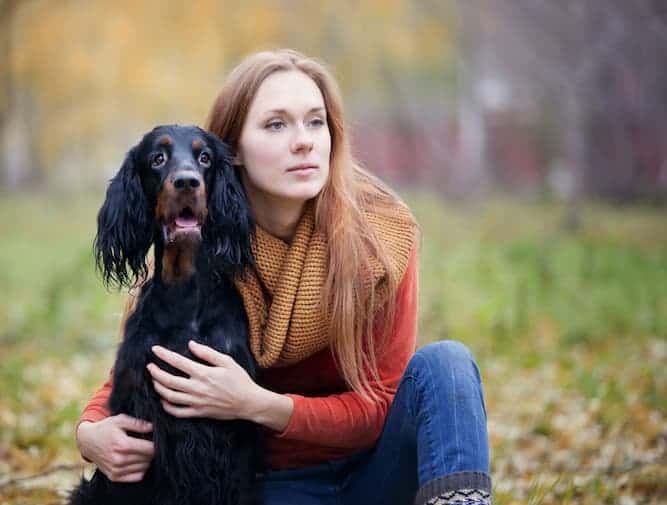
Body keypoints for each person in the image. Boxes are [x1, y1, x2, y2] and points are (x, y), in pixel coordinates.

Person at [76, 49, 491, 505]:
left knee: (447, 364)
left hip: (379, 470)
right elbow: (146, 360)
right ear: (233, 148)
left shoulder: (382, 239)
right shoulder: (206, 235)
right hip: (274, 486)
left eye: (316, 122)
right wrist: (91, 431)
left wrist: (257, 404)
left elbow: (380, 404)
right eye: (276, 124)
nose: (304, 142)